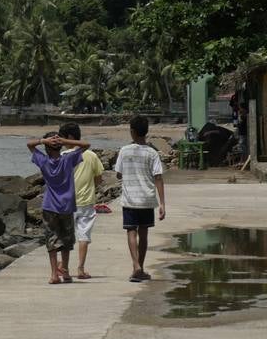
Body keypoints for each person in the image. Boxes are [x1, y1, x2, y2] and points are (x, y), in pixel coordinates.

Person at [26, 126, 92, 285]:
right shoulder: (68, 160)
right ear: (60, 146)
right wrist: (64, 141)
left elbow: (29, 145)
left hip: (50, 205)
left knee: (52, 240)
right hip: (67, 205)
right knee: (67, 240)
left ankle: (54, 274)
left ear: (46, 148)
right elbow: (86, 145)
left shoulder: (43, 160)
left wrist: (43, 141)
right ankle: (66, 272)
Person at [114, 115, 166, 282]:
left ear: (132, 132)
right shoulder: (152, 153)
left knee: (131, 231)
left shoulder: (124, 150)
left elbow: (118, 174)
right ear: (146, 132)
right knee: (143, 234)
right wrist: (162, 203)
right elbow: (158, 177)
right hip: (146, 199)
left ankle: (136, 266)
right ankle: (140, 268)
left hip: (130, 199)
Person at [59, 122, 104, 280]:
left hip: (67, 202)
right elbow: (99, 179)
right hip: (86, 202)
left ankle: (64, 267)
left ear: (69, 139)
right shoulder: (91, 155)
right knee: (84, 236)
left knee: (66, 237)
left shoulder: (63, 157)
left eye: (62, 139)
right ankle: (80, 268)